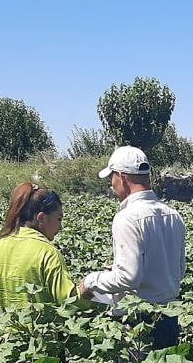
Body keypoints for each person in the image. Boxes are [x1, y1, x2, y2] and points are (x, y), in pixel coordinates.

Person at [79, 145, 186, 348]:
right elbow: (178, 271)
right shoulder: (174, 215)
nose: (112, 185)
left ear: (121, 177)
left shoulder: (127, 218)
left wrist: (91, 281)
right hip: (170, 317)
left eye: (112, 178)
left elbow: (128, 277)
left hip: (140, 320)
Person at [0, 183, 86, 309]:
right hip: (37, 329)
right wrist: (86, 289)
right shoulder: (48, 253)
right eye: (59, 219)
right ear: (41, 218)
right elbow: (69, 302)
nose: (60, 227)